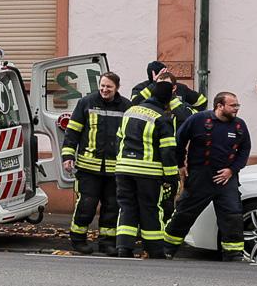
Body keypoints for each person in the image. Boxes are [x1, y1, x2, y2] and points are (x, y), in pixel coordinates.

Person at [165, 91, 251, 261]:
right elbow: (179, 141)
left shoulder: (239, 126)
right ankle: (167, 249)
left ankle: (233, 255)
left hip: (226, 179)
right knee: (184, 213)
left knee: (232, 216)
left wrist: (231, 170)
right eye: (233, 105)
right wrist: (181, 165)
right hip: (200, 177)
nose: (236, 108)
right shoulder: (198, 120)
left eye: (237, 105)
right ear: (219, 106)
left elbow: (244, 151)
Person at [131, 61, 208, 234]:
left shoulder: (180, 93)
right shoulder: (142, 88)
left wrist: (175, 102)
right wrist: (154, 86)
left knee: (169, 197)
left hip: (173, 155)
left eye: (168, 87)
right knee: (144, 198)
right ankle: (141, 232)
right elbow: (134, 104)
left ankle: (164, 232)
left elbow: (199, 107)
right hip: (148, 156)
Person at [61, 70, 129, 253]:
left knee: (112, 206)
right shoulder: (86, 103)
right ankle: (78, 240)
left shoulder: (125, 106)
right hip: (88, 168)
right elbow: (72, 131)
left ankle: (107, 243)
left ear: (117, 88)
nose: (104, 90)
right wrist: (67, 156)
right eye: (102, 86)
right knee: (86, 205)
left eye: (109, 87)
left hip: (114, 170)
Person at [114, 79, 180, 258]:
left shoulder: (130, 111)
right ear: (167, 99)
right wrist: (172, 177)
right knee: (150, 208)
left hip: (123, 169)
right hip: (148, 172)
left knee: (127, 207)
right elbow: (167, 151)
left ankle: (123, 247)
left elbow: (119, 140)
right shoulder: (162, 118)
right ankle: (155, 250)